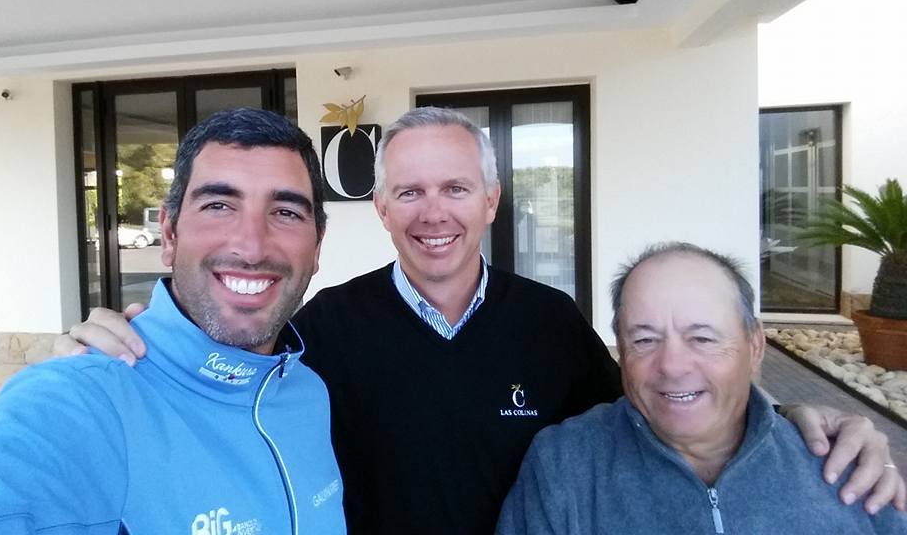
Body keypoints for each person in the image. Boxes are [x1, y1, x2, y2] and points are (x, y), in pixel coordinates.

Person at [61, 108, 905, 534]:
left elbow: (665, 412)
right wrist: (131, 337)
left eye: (456, 188)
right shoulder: (327, 324)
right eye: (410, 193)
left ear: (493, 201)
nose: (435, 212)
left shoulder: (550, 322)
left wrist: (795, 419)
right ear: (383, 210)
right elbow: (226, 362)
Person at [0, 109, 346, 535]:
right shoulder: (75, 402)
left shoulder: (309, 392)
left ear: (317, 246)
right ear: (170, 236)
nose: (251, 246)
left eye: (286, 212)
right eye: (218, 205)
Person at [496, 243, 907, 534]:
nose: (672, 366)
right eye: (644, 339)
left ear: (755, 345)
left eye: (703, 338)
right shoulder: (563, 467)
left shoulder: (844, 466)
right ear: (620, 348)